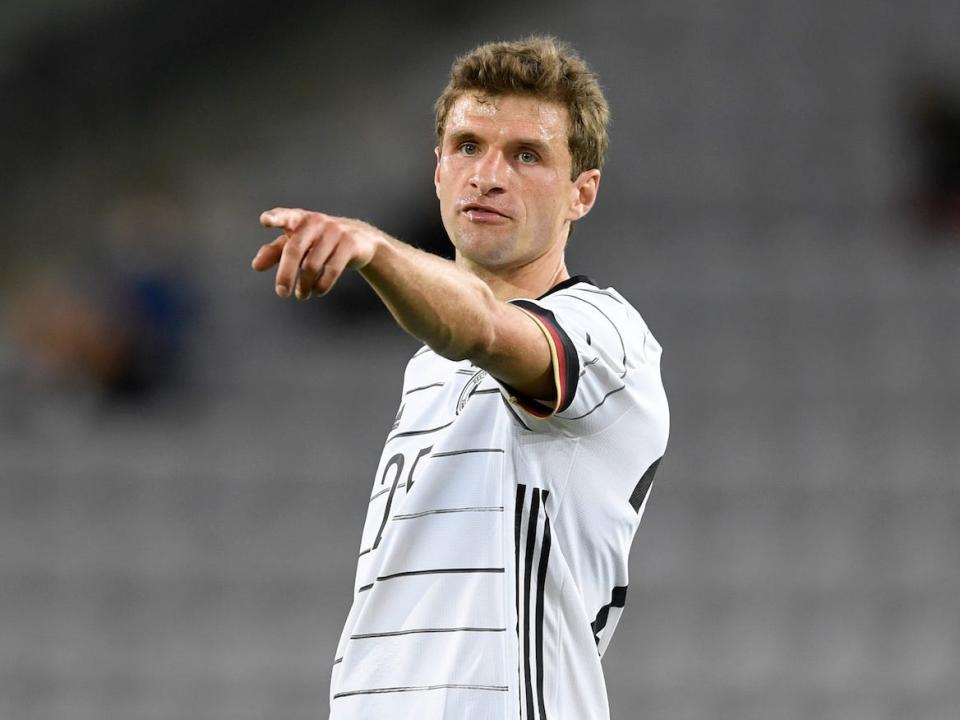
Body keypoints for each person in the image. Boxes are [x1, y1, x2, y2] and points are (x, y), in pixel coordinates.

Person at [252, 36, 669, 720]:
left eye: (527, 155)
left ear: (582, 193)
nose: (488, 174)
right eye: (468, 146)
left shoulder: (608, 336)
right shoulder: (429, 369)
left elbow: (480, 324)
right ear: (439, 170)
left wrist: (375, 246)